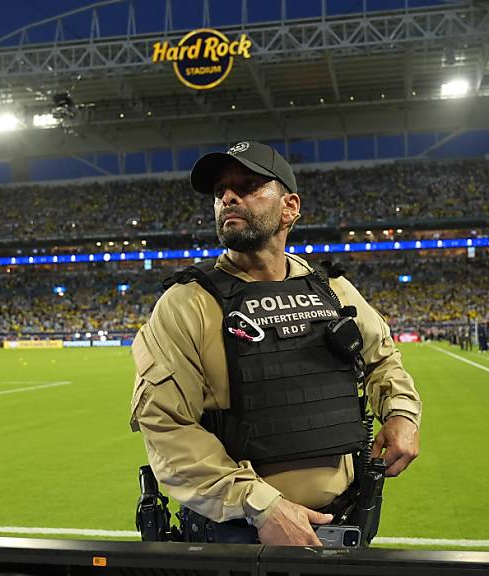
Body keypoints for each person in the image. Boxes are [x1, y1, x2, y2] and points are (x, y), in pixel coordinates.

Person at [130, 141, 422, 547]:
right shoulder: (185, 304)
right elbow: (165, 425)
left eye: (248, 186)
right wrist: (261, 505)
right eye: (221, 192)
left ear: (290, 207)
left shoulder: (333, 289)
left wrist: (402, 414)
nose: (229, 197)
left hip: (342, 528)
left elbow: (383, 360)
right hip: (236, 538)